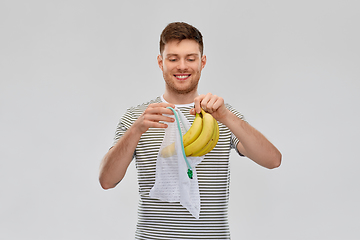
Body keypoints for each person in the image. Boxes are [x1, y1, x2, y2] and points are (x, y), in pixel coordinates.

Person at [99, 22, 282, 239]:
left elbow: (272, 160)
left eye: (190, 58)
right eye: (173, 58)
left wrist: (226, 117)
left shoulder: (220, 115)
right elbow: (107, 180)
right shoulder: (138, 117)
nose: (182, 66)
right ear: (161, 62)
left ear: (202, 62)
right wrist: (136, 129)